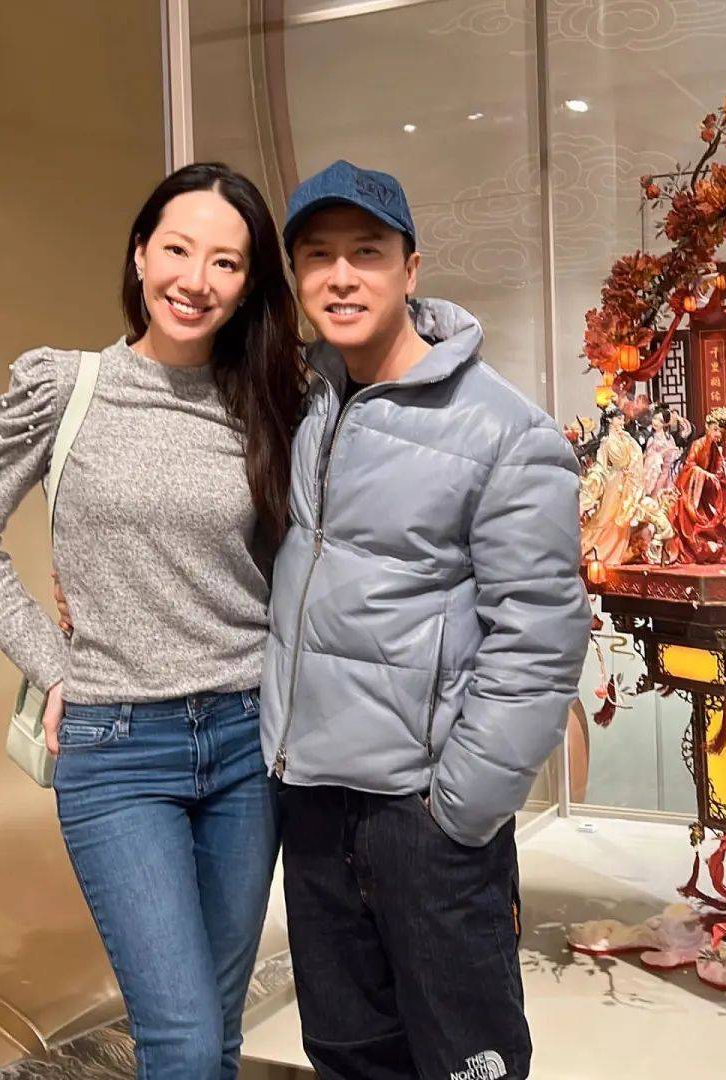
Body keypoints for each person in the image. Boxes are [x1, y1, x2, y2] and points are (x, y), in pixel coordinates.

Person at [0, 163, 304, 1079]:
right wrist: (52, 662)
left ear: (249, 285)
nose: (197, 280)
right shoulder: (63, 387)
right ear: (140, 255)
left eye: (226, 262)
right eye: (178, 250)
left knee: (216, 1035)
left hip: (246, 742)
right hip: (117, 750)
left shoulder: (269, 403)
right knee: (183, 1043)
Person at [263, 160, 591, 1080]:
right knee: (347, 1053)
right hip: (311, 802)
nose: (341, 277)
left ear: (410, 268)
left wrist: (462, 810)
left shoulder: (505, 430)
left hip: (424, 815)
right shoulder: (296, 407)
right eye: (317, 256)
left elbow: (541, 636)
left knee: (464, 1061)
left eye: (366, 253)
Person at [672, 406, 726, 563]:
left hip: (702, 491)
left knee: (712, 522)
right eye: (715, 429)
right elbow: (690, 466)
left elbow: (718, 469)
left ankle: (710, 548)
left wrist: (722, 476)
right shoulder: (698, 444)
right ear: (707, 427)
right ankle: (697, 549)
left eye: (720, 432)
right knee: (695, 522)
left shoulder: (715, 448)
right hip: (690, 491)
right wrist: (707, 475)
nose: (717, 434)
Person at [579, 406, 645, 565]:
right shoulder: (606, 441)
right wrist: (594, 477)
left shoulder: (627, 438)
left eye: (622, 418)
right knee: (606, 517)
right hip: (613, 482)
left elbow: (636, 456)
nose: (622, 421)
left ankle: (616, 554)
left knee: (622, 519)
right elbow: (601, 465)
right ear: (609, 420)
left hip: (627, 481)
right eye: (619, 418)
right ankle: (593, 549)